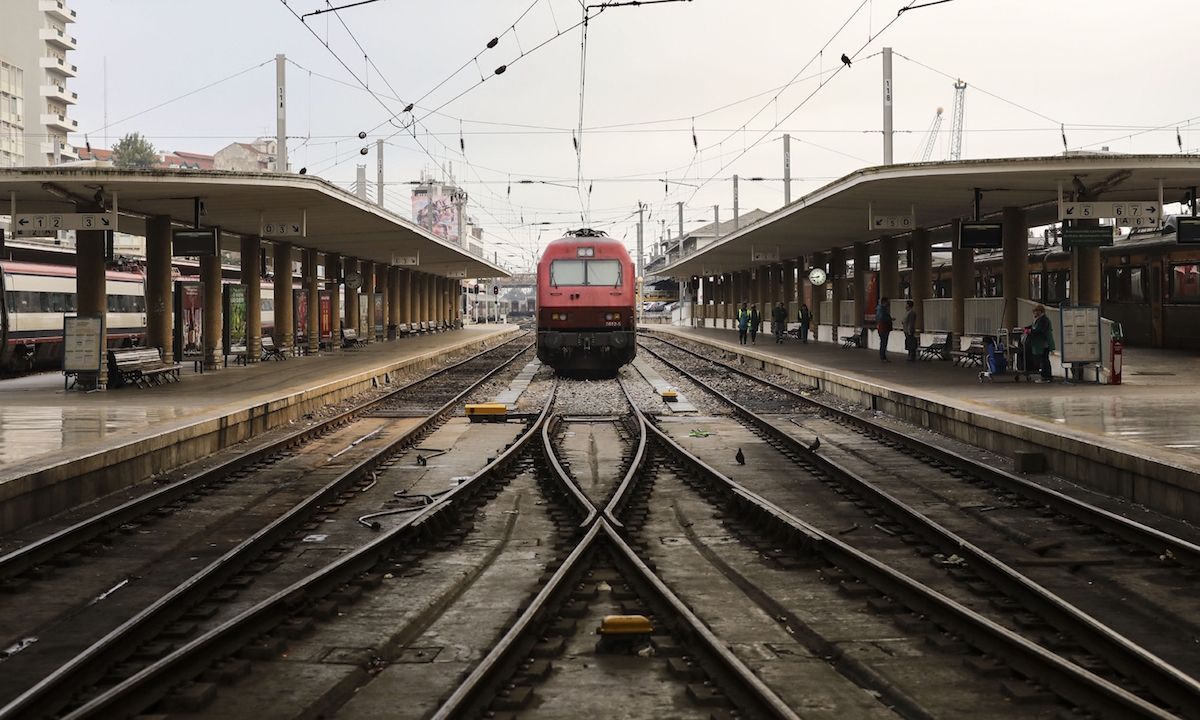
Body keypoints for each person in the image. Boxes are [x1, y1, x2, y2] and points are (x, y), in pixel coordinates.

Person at [1027, 304, 1055, 382]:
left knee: (1044, 360)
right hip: (1040, 343)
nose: (1035, 313)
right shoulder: (1038, 319)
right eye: (1035, 311)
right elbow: (1033, 326)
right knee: (1044, 359)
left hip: (1044, 343)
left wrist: (1030, 331)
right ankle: (1046, 376)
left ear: (1041, 311)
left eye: (1037, 311)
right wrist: (1026, 328)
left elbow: (1040, 330)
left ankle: (1046, 376)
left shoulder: (1044, 320)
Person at [876, 297, 893, 362]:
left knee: (884, 342)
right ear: (884, 302)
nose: (889, 303)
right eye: (888, 302)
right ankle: (883, 357)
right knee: (883, 342)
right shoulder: (882, 310)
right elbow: (881, 318)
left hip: (884, 328)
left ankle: (883, 356)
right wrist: (889, 319)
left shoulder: (883, 309)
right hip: (883, 328)